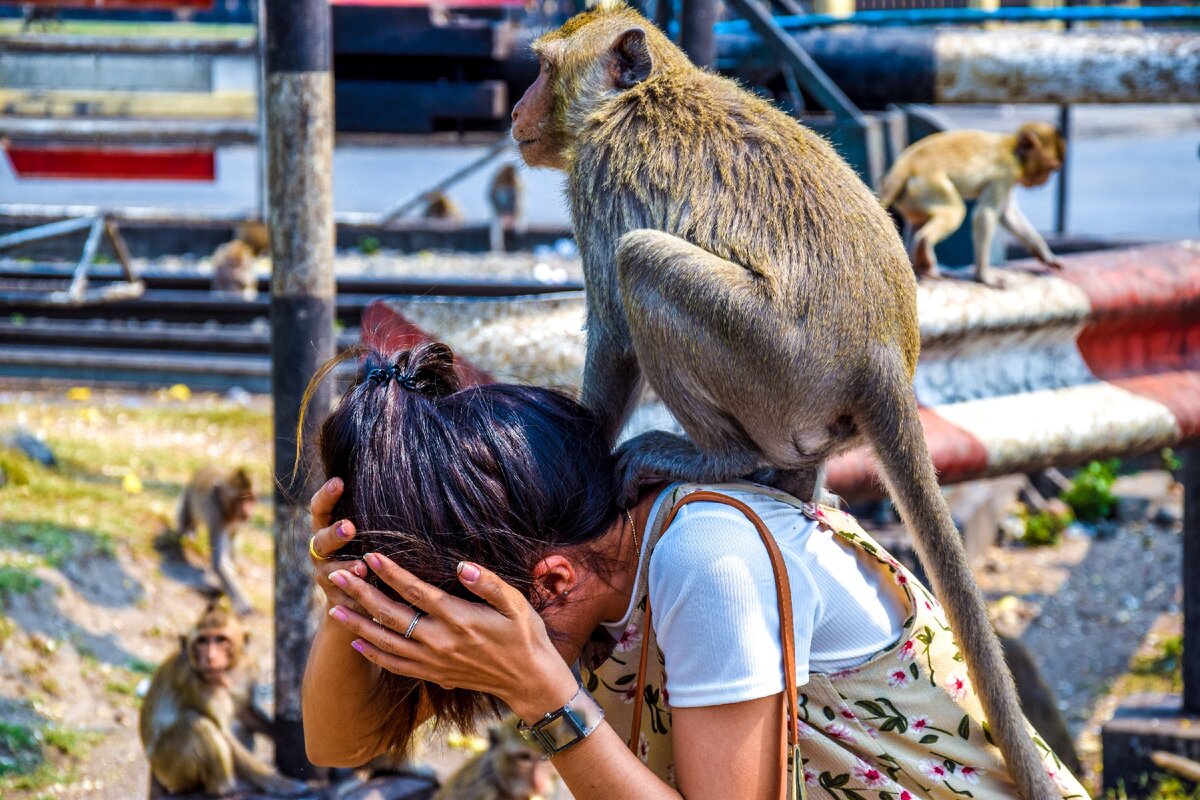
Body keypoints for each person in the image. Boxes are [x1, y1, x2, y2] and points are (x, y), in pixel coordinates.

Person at [301, 343, 1088, 800]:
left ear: (550, 583)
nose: (444, 633)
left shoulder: (709, 560)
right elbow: (339, 744)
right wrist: (348, 587)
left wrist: (550, 700)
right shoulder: (604, 582)